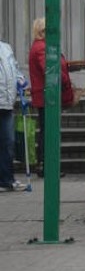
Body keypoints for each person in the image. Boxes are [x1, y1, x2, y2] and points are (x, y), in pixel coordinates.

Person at [27, 17, 74, 178]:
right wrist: (66, 79)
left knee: (47, 132)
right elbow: (50, 70)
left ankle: (45, 166)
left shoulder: (41, 46)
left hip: (45, 95)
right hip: (48, 96)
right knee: (49, 133)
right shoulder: (41, 48)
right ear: (43, 31)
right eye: (51, 29)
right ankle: (48, 167)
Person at [0, 38, 28, 192]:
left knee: (8, 143)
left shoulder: (6, 47)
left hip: (7, 103)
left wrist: (20, 79)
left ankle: (7, 180)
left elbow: (15, 69)